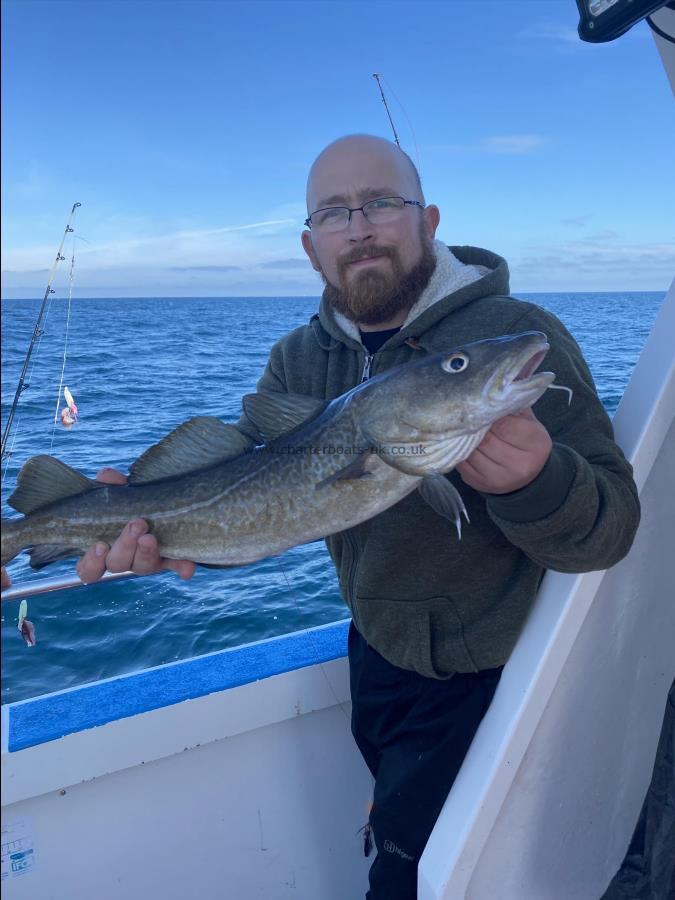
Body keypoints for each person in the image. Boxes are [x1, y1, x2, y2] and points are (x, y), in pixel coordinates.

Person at [2, 135, 641, 899]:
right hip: (375, 656)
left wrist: (536, 479)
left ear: (426, 220)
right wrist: (146, 527)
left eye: (380, 203)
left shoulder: (508, 331)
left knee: (422, 879)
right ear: (311, 246)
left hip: (499, 674)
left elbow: (612, 529)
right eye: (334, 213)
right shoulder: (298, 359)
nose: (358, 226)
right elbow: (244, 488)